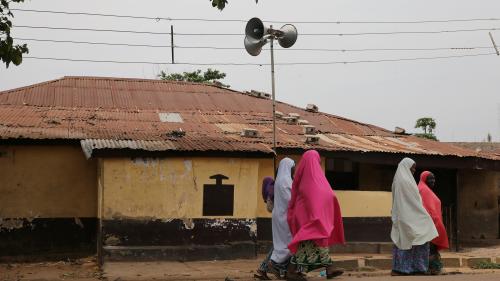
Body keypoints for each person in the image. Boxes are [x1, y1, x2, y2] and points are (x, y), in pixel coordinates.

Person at [286, 150, 345, 280]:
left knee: (315, 246)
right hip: (309, 220)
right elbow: (319, 198)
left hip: (313, 220)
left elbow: (326, 196)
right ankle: (291, 272)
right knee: (306, 247)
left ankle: (328, 268)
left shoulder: (306, 178)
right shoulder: (313, 180)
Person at [391, 158, 438, 276]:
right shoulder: (404, 181)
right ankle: (408, 268)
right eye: (412, 167)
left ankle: (415, 268)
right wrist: (423, 213)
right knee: (418, 234)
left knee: (413, 239)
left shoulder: (401, 180)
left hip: (407, 215)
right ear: (406, 167)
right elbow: (412, 201)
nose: (414, 170)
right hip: (407, 215)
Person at [267, 158, 296, 279]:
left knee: (281, 243)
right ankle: (274, 264)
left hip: (278, 214)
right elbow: (289, 200)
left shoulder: (279, 180)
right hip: (284, 216)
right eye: (293, 167)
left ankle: (283, 269)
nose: (294, 170)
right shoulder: (285, 181)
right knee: (288, 243)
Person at [418, 171, 449, 275]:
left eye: (434, 178)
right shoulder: (424, 190)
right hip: (430, 223)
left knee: (432, 247)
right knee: (431, 247)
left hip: (432, 222)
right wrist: (435, 222)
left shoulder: (426, 189)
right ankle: (433, 269)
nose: (433, 181)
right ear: (424, 179)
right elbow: (428, 209)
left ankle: (433, 268)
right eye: (430, 178)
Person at [255, 176, 275, 280]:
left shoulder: (269, 192)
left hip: (278, 219)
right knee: (279, 246)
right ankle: (262, 269)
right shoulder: (275, 189)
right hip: (282, 221)